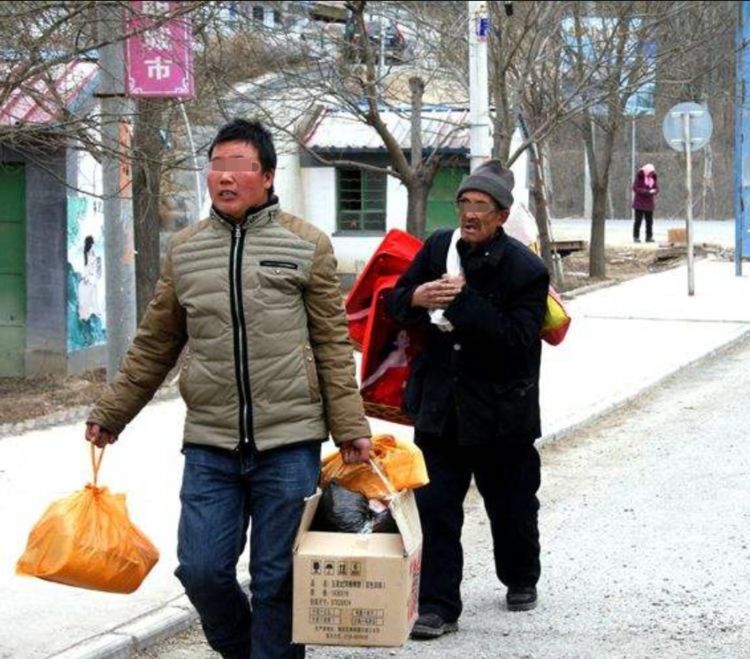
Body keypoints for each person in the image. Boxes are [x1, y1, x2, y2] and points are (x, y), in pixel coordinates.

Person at [84, 118, 372, 659]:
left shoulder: (306, 245)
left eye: (239, 166)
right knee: (202, 570)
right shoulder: (187, 250)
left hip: (289, 442)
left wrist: (350, 427)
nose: (226, 177)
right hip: (211, 443)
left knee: (276, 579)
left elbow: (333, 345)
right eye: (217, 165)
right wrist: (113, 411)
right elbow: (156, 342)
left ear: (266, 175)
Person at [388, 159, 549, 640]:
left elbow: (518, 340)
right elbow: (394, 302)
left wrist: (462, 303)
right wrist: (417, 297)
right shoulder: (439, 247)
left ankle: (521, 577)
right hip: (442, 408)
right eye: (464, 204)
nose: (470, 214)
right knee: (436, 509)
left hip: (504, 415)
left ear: (502, 216)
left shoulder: (526, 269)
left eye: (481, 206)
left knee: (512, 505)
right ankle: (438, 606)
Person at [360, 328, 412, 408]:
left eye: (406, 336)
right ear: (395, 342)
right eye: (402, 337)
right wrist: (360, 387)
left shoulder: (406, 355)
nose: (406, 338)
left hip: (397, 394)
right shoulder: (394, 356)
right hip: (386, 395)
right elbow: (377, 374)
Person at [632, 163, 659, 243]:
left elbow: (656, 188)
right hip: (639, 203)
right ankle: (636, 236)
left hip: (649, 203)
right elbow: (635, 188)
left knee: (649, 222)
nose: (651, 174)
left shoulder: (653, 178)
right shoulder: (639, 177)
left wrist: (654, 191)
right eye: (650, 173)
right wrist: (645, 191)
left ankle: (649, 237)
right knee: (638, 221)